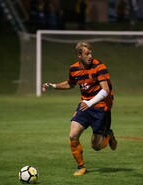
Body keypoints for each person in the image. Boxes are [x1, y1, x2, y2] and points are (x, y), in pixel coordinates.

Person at [42, 42, 117, 176]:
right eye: (87, 53)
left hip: (101, 107)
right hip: (84, 106)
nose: (90, 56)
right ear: (79, 55)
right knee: (73, 135)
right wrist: (53, 86)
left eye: (91, 53)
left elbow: (105, 90)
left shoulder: (99, 66)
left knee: (96, 146)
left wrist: (90, 103)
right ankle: (81, 166)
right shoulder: (74, 69)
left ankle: (109, 135)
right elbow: (71, 84)